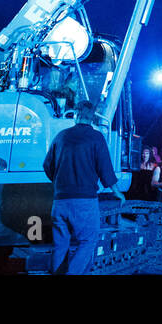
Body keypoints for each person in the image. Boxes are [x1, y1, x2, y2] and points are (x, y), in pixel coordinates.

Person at [41, 102, 124, 274]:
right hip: (84, 202)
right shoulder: (96, 137)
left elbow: (47, 166)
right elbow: (105, 169)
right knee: (88, 241)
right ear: (93, 116)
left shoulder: (61, 136)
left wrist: (60, 185)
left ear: (76, 114)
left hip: (60, 201)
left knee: (60, 245)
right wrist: (117, 192)